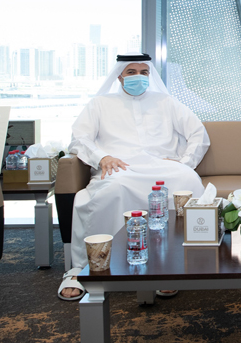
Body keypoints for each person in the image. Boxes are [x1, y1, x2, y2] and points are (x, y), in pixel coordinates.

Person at [58, 54, 209, 300]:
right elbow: (79, 139)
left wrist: (185, 162)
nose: (139, 77)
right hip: (121, 168)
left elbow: (198, 133)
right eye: (131, 72)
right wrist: (102, 157)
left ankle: (172, 267)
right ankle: (88, 267)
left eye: (144, 72)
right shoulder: (100, 104)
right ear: (119, 76)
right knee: (113, 189)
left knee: (188, 180)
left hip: (162, 166)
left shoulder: (166, 102)